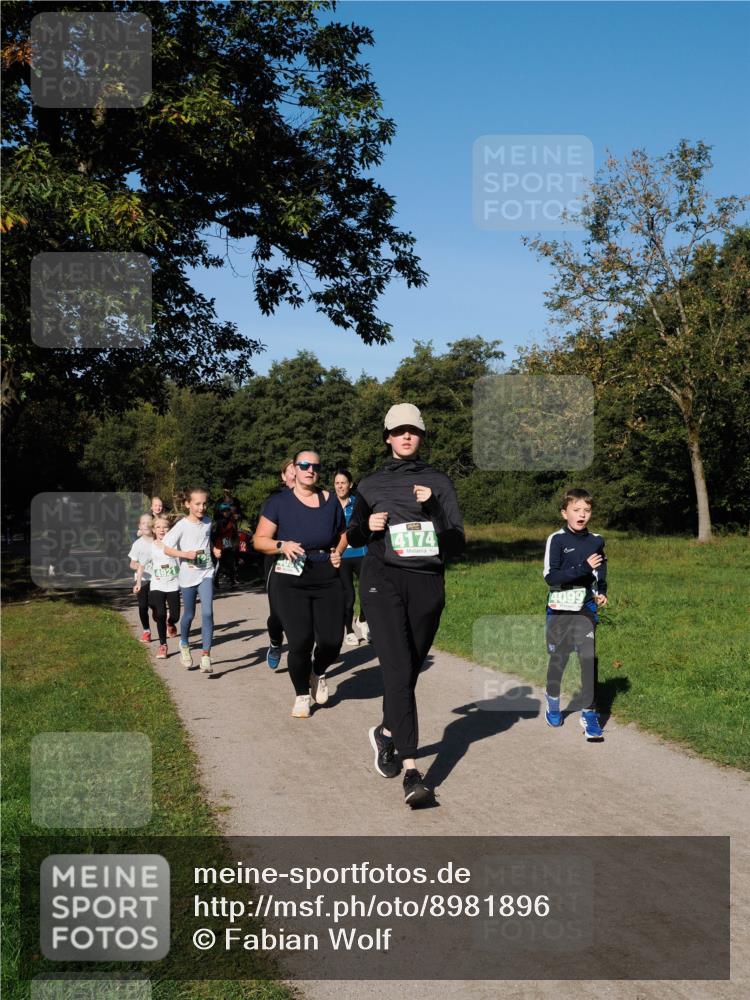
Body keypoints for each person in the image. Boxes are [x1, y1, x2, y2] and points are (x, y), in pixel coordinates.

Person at [347, 403, 465, 807]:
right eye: (398, 431)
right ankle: (412, 772)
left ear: (421, 435)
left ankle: (386, 732)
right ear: (388, 438)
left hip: (427, 584)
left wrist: (432, 506)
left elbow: (456, 542)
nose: (406, 436)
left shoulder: (439, 481)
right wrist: (368, 527)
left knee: (408, 671)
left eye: (412, 430)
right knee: (397, 670)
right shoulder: (370, 484)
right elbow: (354, 533)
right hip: (382, 583)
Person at [253, 450, 347, 718]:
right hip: (290, 578)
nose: (310, 470)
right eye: (304, 465)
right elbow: (259, 540)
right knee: (300, 640)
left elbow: (343, 534)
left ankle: (317, 672)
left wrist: (337, 551)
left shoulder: (330, 502)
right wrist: (281, 545)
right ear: (294, 469)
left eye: (315, 466)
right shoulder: (278, 503)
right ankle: (301, 695)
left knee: (331, 641)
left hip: (326, 576)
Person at [542, 488, 608, 740]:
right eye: (576, 510)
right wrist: (583, 567)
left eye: (587, 510)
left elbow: (601, 567)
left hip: (585, 606)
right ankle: (553, 700)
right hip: (560, 606)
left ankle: (589, 713)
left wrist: (601, 589)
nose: (582, 515)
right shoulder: (556, 540)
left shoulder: (596, 540)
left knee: (588, 658)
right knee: (560, 657)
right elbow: (551, 576)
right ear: (564, 513)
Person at [163, 487, 222, 674]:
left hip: (205, 573)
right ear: (188, 504)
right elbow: (167, 548)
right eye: (197, 504)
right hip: (187, 576)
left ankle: (206, 655)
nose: (202, 507)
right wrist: (185, 554)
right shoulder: (181, 525)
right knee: (189, 614)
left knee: (207, 613)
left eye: (204, 503)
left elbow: (207, 541)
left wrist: (214, 550)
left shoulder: (208, 522)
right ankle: (185, 644)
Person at [262, 458, 296, 669]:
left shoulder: (316, 498)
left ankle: (301, 655)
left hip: (306, 563)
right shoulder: (274, 500)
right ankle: (276, 642)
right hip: (277, 561)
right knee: (277, 615)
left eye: (297, 469)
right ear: (283, 476)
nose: (294, 474)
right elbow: (263, 536)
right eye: (290, 471)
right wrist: (283, 544)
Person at [134, 515, 180, 658]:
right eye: (158, 527)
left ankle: (171, 623)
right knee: (160, 614)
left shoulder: (176, 545)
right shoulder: (151, 547)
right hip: (157, 585)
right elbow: (141, 565)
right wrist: (138, 583)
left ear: (170, 529)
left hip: (173, 585)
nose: (162, 530)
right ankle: (163, 646)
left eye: (165, 527)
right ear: (153, 529)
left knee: (175, 615)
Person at [334, 469, 368, 645]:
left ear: (350, 484)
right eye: (337, 483)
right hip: (341, 556)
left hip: (361, 553)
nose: (340, 486)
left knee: (368, 591)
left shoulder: (358, 503)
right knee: (349, 595)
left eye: (343, 483)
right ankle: (348, 630)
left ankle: (362, 619)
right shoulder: (329, 504)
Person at [128, 514, 154, 642]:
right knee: (143, 606)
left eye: (149, 522)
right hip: (142, 579)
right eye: (143, 523)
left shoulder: (158, 542)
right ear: (140, 526)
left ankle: (160, 616)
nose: (147, 525)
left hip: (157, 579)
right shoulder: (137, 544)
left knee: (155, 605)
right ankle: (146, 631)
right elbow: (132, 564)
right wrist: (140, 566)